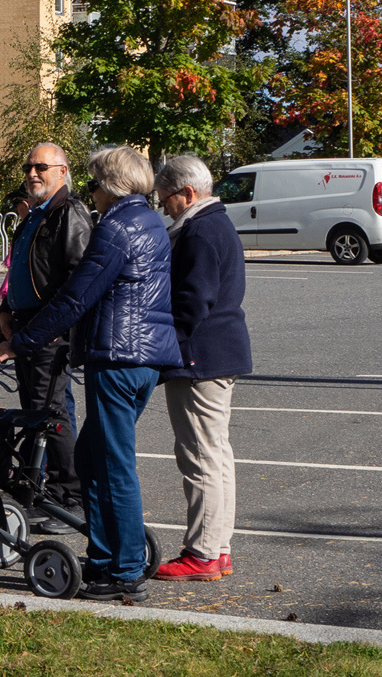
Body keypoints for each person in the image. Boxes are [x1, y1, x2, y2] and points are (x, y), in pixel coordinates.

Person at [0, 146, 181, 602]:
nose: (91, 193)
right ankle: (104, 557)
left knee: (113, 465)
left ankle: (124, 568)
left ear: (112, 186)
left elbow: (77, 297)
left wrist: (20, 342)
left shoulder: (117, 226)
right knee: (93, 459)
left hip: (118, 356)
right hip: (141, 357)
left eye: (94, 184)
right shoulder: (150, 220)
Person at [153, 155, 252, 582]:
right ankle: (218, 546)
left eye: (166, 200)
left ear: (187, 193)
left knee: (200, 456)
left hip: (199, 356)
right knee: (216, 454)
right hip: (217, 352)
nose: (164, 208)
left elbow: (191, 303)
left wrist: (161, 350)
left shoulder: (199, 231)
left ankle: (204, 552)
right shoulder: (216, 224)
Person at [0, 142, 93, 532]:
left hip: (49, 334)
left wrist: (48, 331)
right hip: (26, 328)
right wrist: (4, 312)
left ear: (62, 172)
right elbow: (20, 270)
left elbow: (76, 283)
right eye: (28, 166)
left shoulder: (69, 213)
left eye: (41, 167)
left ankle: (70, 496)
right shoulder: (37, 214)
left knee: (52, 414)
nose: (32, 173)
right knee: (38, 413)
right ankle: (43, 488)